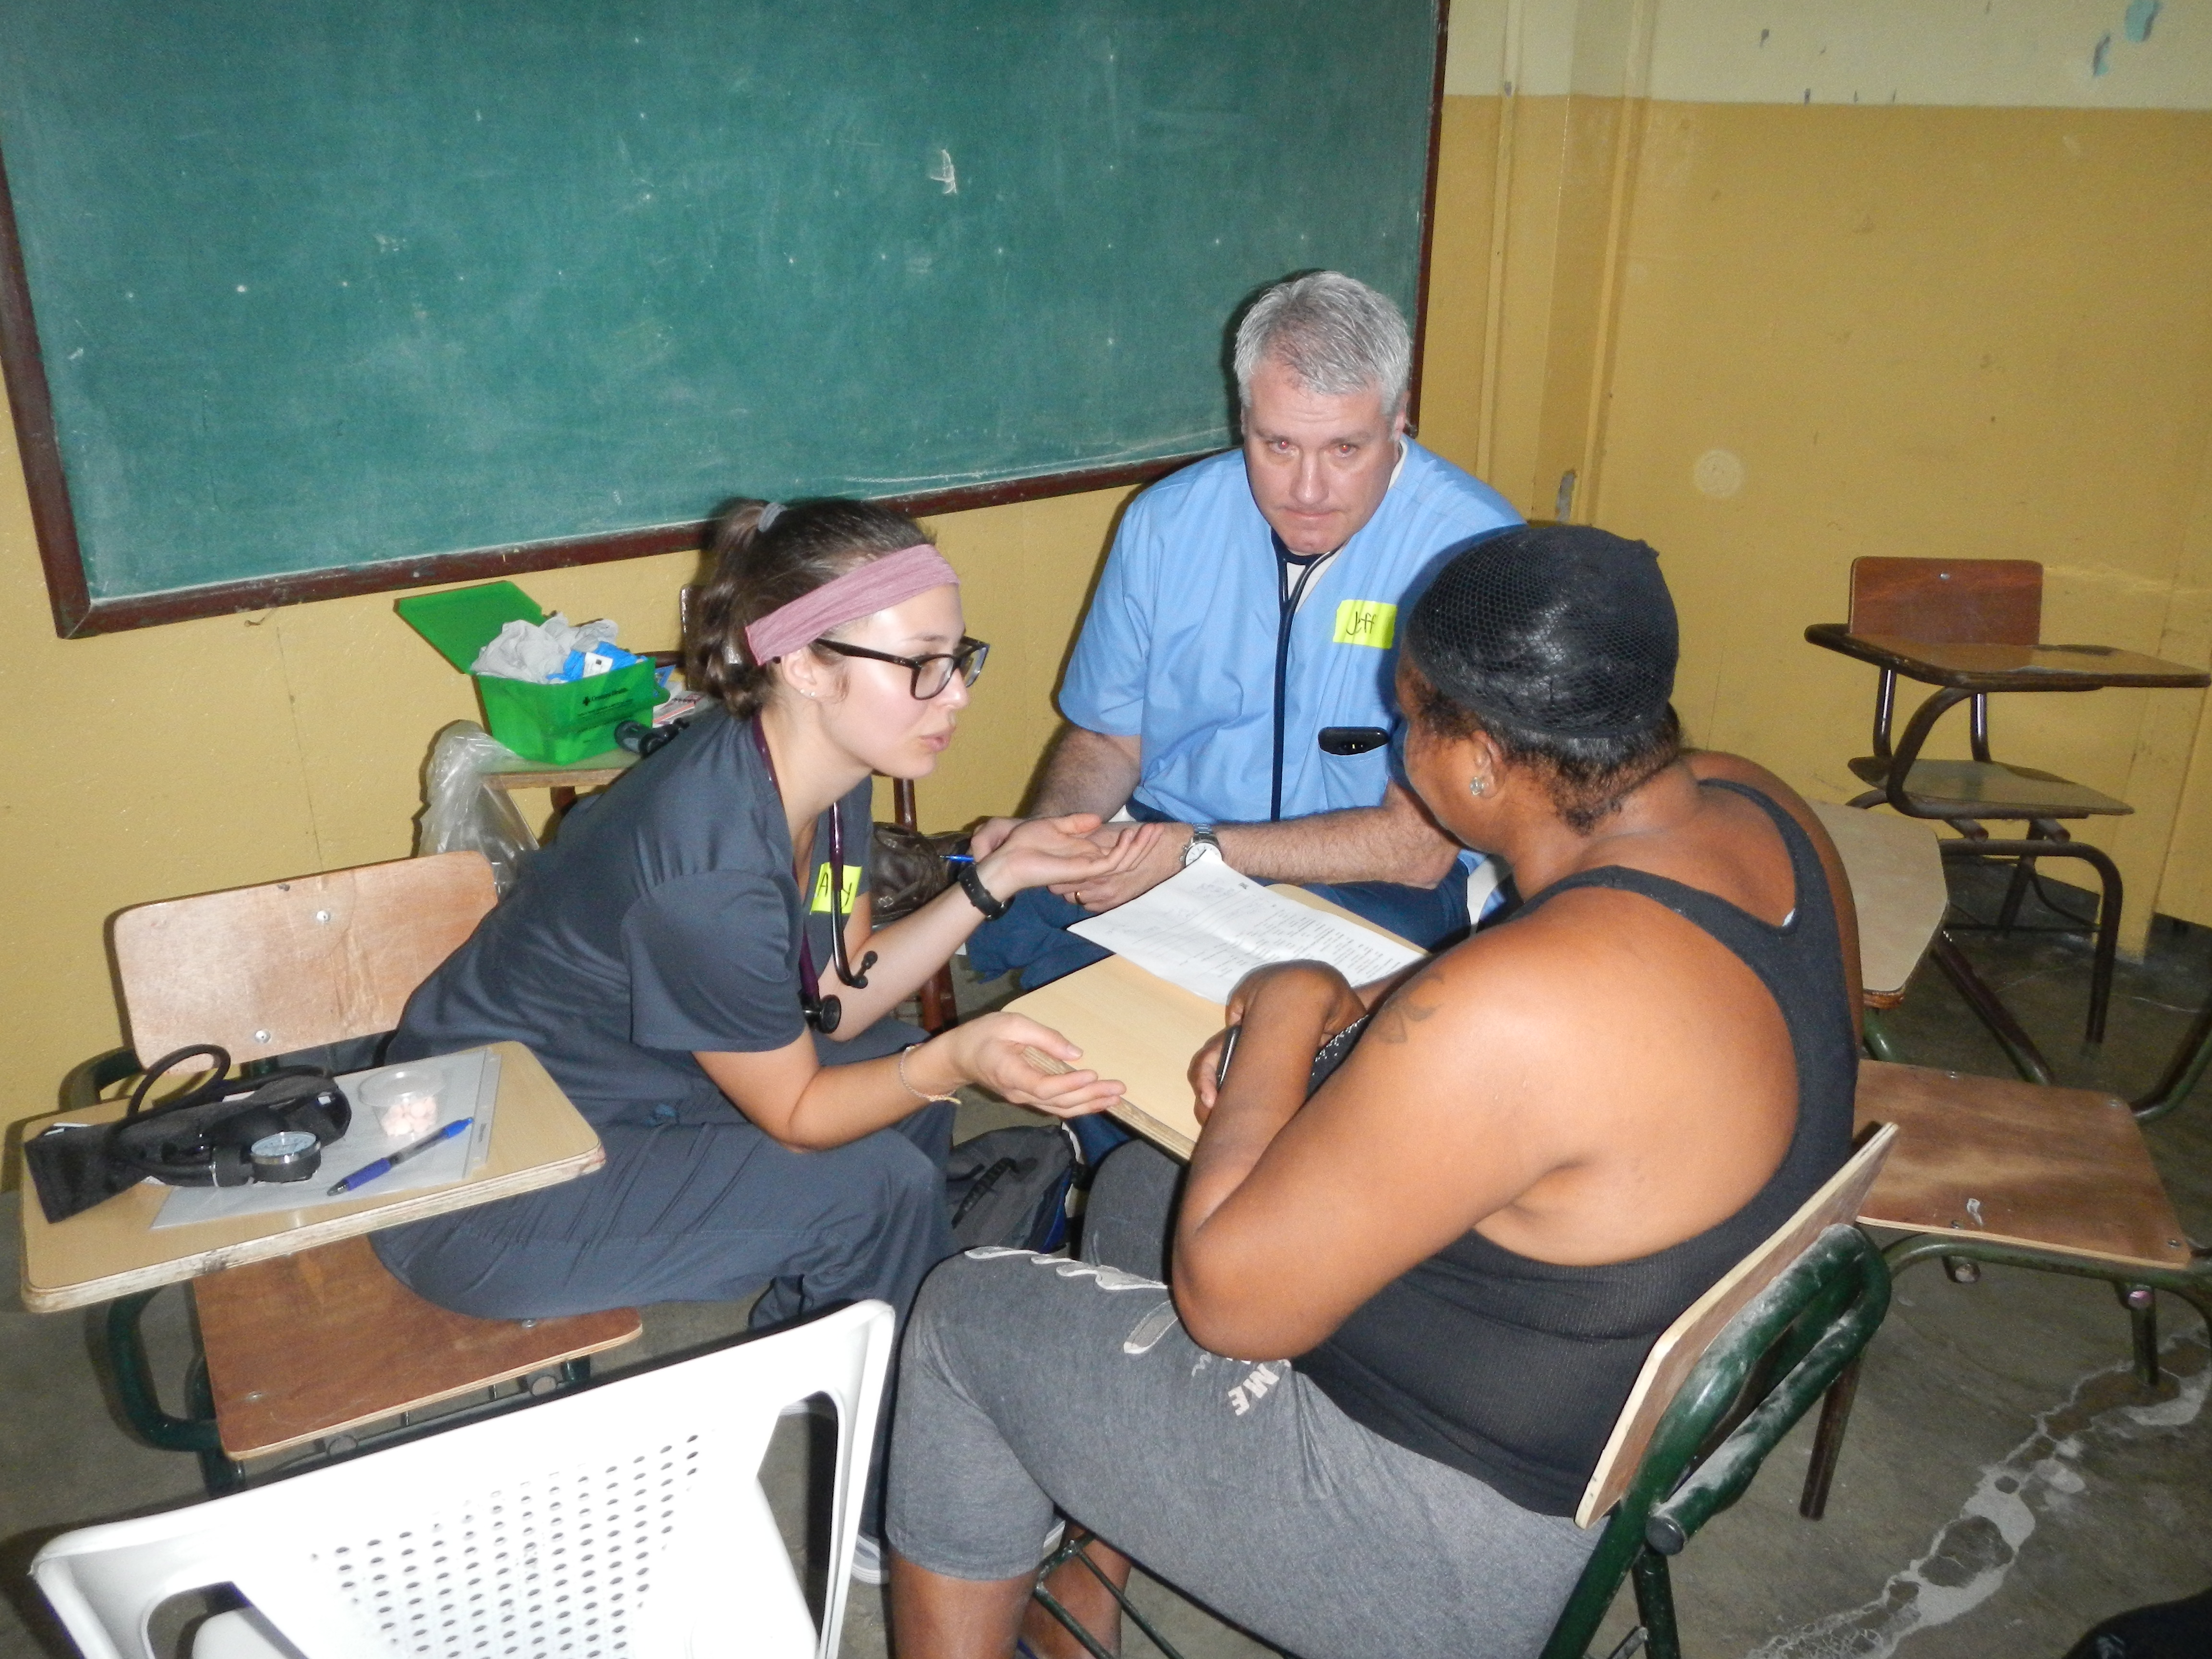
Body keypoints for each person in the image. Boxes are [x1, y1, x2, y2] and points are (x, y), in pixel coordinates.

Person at [884, 525, 1863, 1659]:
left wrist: (1294, 1010)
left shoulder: (1520, 1010)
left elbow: (1230, 1305)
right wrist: (1390, 998)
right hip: (1591, 1407)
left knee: (966, 1317)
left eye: (1413, 721)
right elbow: (1567, 991)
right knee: (1145, 1182)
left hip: (1437, 1546)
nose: (1402, 752)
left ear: (1486, 761)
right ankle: (1087, 1601)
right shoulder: (1758, 811)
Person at [373, 496, 1153, 1343]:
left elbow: (840, 997)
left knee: (896, 1077)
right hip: (480, 1183)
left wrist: (994, 879)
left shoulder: (832, 775)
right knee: (877, 1177)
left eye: (960, 657)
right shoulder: (709, 870)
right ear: (804, 665)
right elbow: (799, 1114)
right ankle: (894, 1399)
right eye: (921, 664)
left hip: (629, 1097)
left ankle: (825, 1334)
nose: (956, 694)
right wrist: (955, 1057)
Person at [967, 270, 1522, 990]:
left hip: (1370, 875)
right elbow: (1110, 736)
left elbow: (1414, 848)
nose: (1309, 491)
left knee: (1248, 1029)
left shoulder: (1475, 553)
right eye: (1278, 446)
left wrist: (1197, 855)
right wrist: (1061, 835)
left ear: (1399, 419)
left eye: (1346, 449)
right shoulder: (1165, 524)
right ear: (1243, 417)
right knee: (1058, 961)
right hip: (1172, 836)